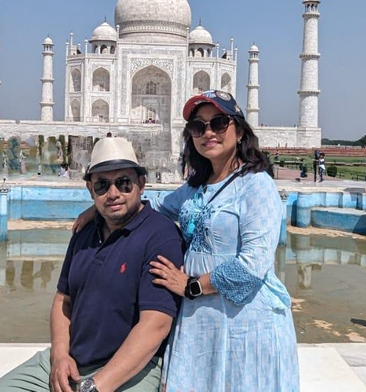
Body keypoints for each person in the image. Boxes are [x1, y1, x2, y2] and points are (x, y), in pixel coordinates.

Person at [76, 90, 299, 391]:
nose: (208, 132)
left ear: (240, 130)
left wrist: (191, 285)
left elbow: (252, 266)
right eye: (199, 126)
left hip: (245, 320)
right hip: (200, 318)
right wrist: (105, 202)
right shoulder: (196, 187)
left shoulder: (256, 186)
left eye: (219, 123)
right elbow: (154, 206)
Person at [0, 137, 184, 392]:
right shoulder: (85, 231)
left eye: (123, 182)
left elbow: (155, 325)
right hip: (73, 359)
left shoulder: (160, 236)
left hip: (131, 369)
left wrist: (95, 387)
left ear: (141, 184)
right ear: (90, 191)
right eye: (102, 185)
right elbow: (62, 301)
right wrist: (61, 357)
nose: (113, 194)